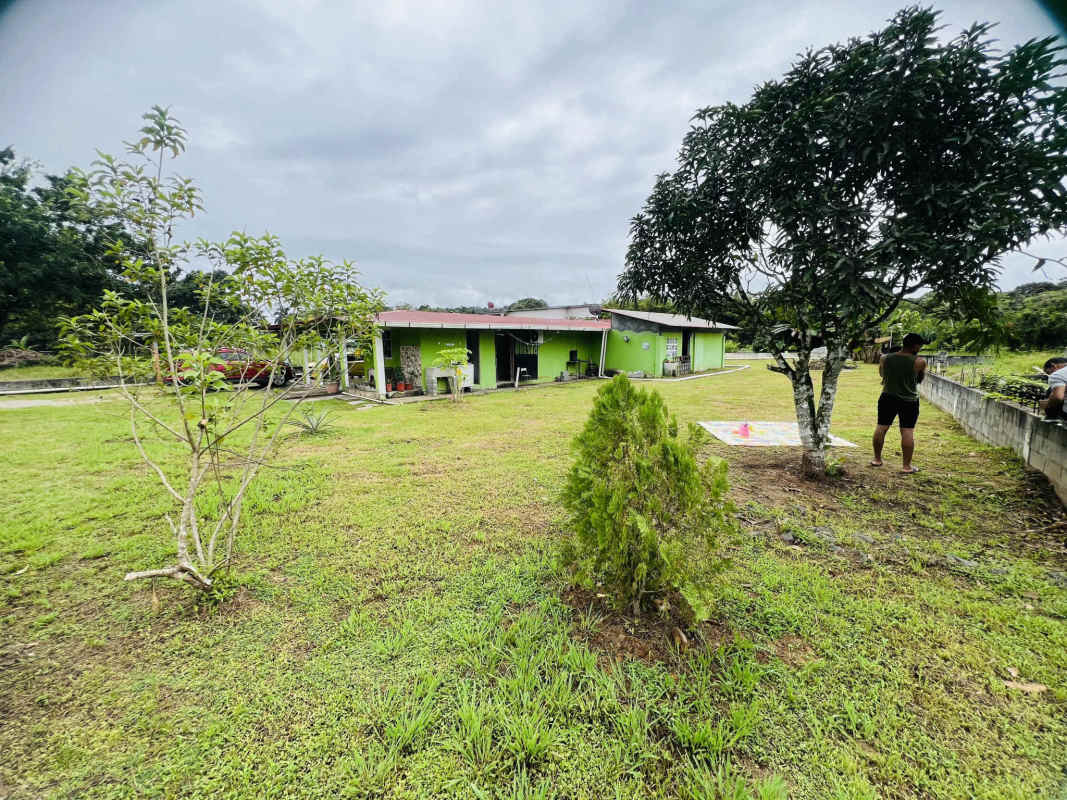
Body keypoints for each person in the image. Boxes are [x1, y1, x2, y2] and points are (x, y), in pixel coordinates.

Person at [871, 333, 926, 473]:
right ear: (915, 345)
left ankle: (877, 460)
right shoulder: (919, 361)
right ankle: (906, 467)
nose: (920, 348)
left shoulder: (884, 358)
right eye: (920, 345)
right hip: (909, 400)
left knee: (881, 427)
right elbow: (920, 380)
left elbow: (882, 375)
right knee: (907, 431)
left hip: (887, 397)